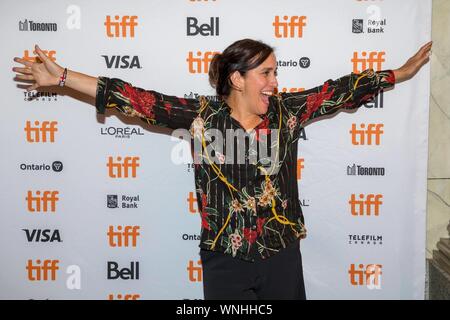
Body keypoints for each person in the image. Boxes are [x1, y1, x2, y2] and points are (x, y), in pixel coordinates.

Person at [13, 39, 432, 300]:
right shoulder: (201, 117)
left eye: (275, 72)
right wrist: (65, 77)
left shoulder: (287, 113)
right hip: (224, 259)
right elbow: (135, 98)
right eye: (266, 73)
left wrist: (399, 73)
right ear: (237, 78)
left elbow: (339, 90)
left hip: (281, 253)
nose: (275, 81)